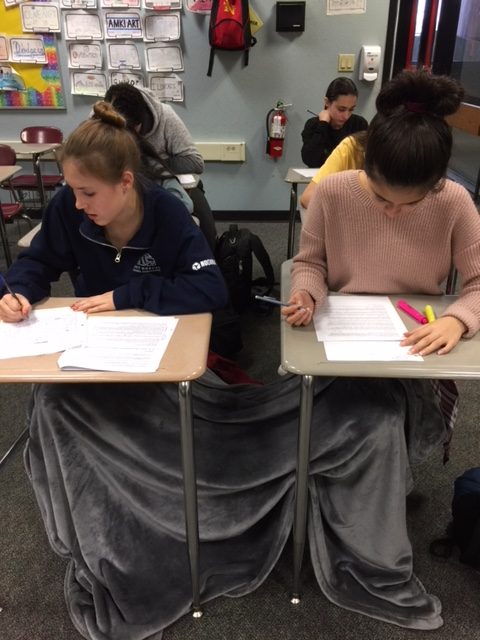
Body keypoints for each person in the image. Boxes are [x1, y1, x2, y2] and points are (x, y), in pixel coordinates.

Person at [282, 70, 480, 628]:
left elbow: (478, 284)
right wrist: (305, 293)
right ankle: (355, 512)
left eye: (407, 204)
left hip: (412, 344)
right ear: (364, 168)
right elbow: (312, 262)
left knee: (381, 422)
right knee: (364, 424)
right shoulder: (337, 190)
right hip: (343, 341)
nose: (390, 212)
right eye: (380, 196)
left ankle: (368, 520)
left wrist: (460, 320)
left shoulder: (456, 203)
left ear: (437, 183)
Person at [0, 101, 228, 320]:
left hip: (155, 325)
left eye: (88, 193)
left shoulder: (166, 211)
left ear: (125, 182)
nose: (78, 203)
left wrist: (128, 295)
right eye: (72, 189)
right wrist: (19, 290)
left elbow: (209, 288)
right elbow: (38, 260)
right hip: (91, 327)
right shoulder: (67, 205)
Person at [104, 82, 218, 250]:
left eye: (128, 132)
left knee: (206, 233)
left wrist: (152, 164)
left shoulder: (165, 117)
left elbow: (195, 162)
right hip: (122, 183)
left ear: (139, 123)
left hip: (166, 178)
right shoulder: (103, 115)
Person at [301, 77, 368, 168]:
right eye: (341, 109)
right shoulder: (313, 125)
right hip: (321, 180)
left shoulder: (359, 124)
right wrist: (323, 124)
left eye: (351, 109)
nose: (346, 116)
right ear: (327, 102)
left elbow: (367, 161)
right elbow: (310, 160)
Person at [300, 130, 367, 209]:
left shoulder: (358, 123)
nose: (344, 117)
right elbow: (307, 197)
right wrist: (323, 124)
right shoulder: (354, 145)